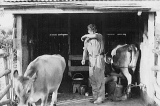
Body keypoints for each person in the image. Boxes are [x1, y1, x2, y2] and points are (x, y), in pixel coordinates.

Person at [81, 24, 105, 104]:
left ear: (95, 30)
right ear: (88, 31)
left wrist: (84, 36)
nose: (91, 32)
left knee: (99, 78)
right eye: (90, 30)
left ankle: (100, 98)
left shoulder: (99, 36)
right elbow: (85, 50)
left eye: (93, 30)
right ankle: (95, 97)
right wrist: (84, 59)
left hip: (98, 58)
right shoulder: (86, 40)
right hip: (91, 59)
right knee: (92, 78)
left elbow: (94, 35)